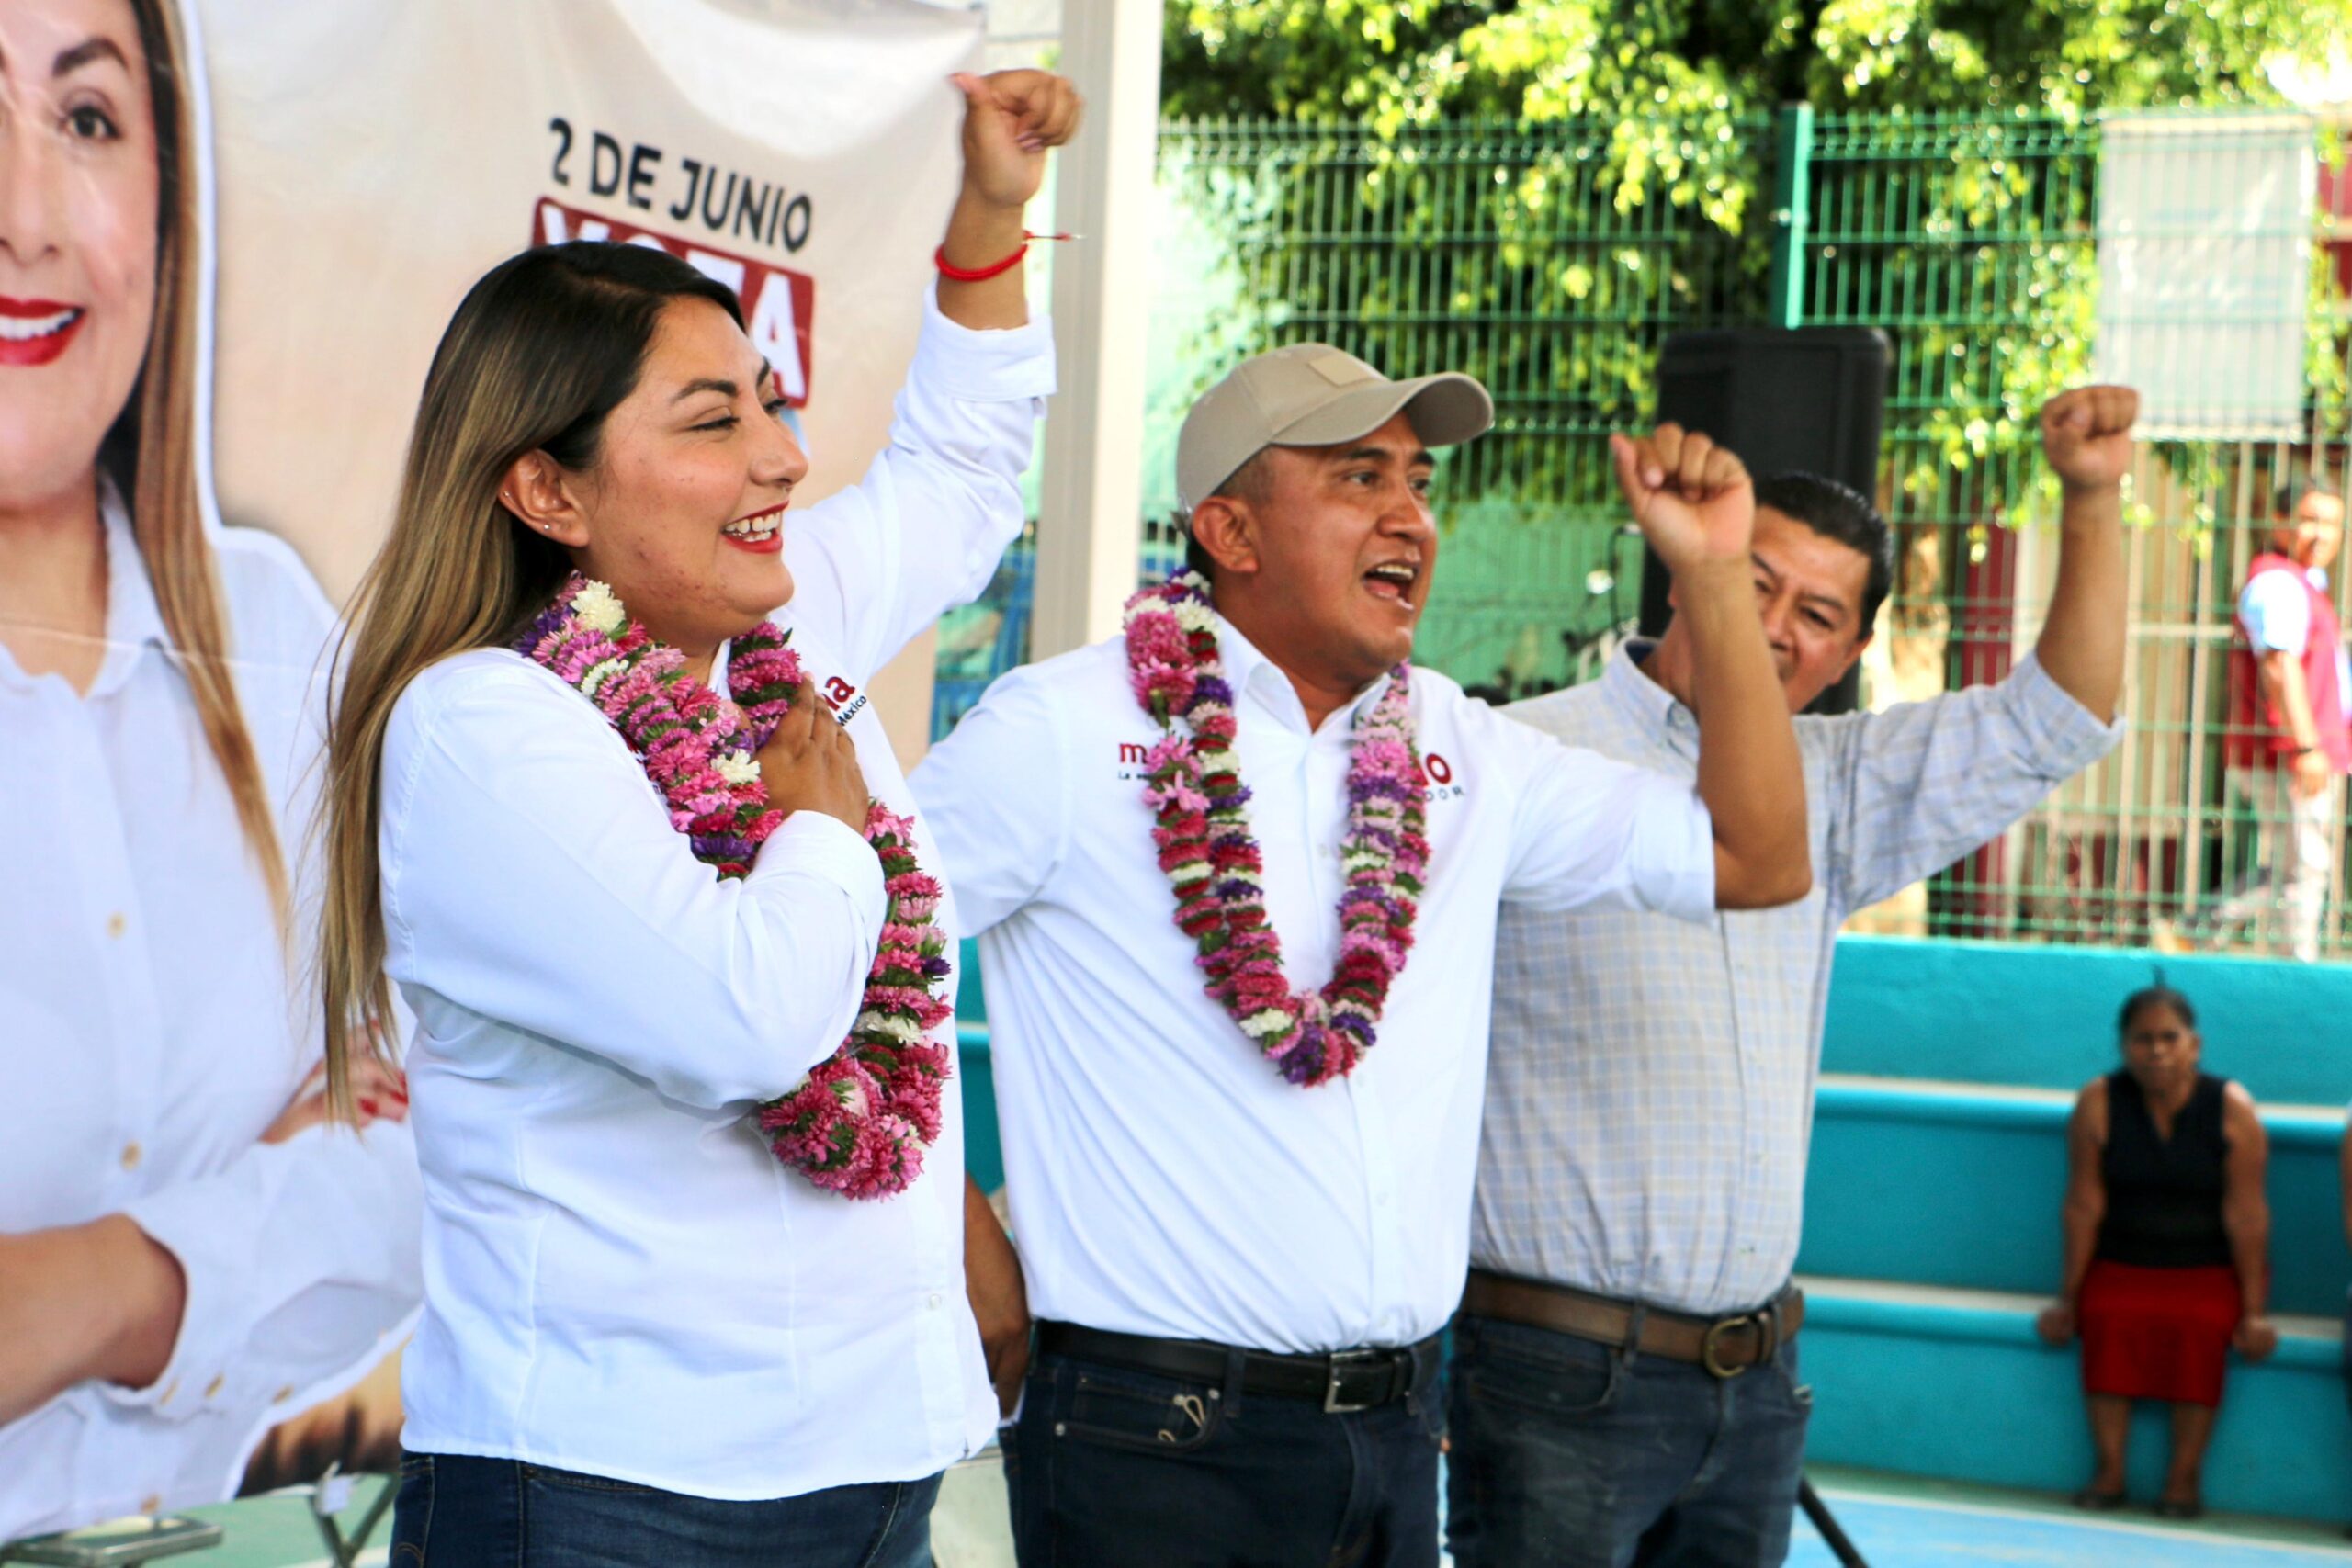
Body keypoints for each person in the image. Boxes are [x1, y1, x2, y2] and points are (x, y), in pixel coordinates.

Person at [318, 69, 1075, 1568]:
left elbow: (961, 470)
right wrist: (828, 837)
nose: (785, 458)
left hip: (873, 1478)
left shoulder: (790, 640)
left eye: (773, 404)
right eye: (717, 420)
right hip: (611, 1500)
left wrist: (994, 209)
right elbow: (750, 1015)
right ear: (547, 487)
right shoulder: (482, 726)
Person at [913, 343, 1813, 1568]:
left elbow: (1757, 858)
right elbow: (832, 964)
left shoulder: (1465, 749)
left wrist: (1711, 576)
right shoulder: (1062, 731)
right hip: (1153, 1440)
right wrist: (959, 1241)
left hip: (1393, 1435)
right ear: (1230, 528)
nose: (1410, 516)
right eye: (1358, 476)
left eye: (1419, 481)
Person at [1453, 387, 2139, 1568]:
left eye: (1817, 614)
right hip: (1548, 1380)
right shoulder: (1516, 756)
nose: (1775, 626)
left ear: (1850, 654)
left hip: (1754, 1383)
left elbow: (2058, 717)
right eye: (1751, 581)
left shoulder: (1848, 783)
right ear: (1687, 566)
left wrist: (2090, 493)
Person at [0, 0, 422, 1541]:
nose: (25, 213)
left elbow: (424, 1146)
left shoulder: (271, 632)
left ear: (171, 216)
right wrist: (255, 1218)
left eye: (88, 118)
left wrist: (109, 1286)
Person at [2037, 985, 2275, 1518]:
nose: (2157, 1051)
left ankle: (2183, 1478)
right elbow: (2082, 1206)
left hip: (2207, 1266)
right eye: (2143, 1039)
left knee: (2202, 1325)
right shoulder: (2098, 1101)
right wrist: (2067, 1300)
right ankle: (2109, 1470)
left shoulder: (2232, 1108)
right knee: (2105, 1316)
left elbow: (2248, 1214)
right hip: (2124, 1260)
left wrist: (2255, 1311)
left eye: (2170, 1038)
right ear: (2124, 1046)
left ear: (2195, 1045)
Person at [2211, 476, 2350, 963]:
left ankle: (2199, 929)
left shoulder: (2305, 585)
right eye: (2309, 519)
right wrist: (2308, 747)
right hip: (2288, 754)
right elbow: (2279, 664)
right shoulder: (2278, 583)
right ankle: (2297, 971)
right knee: (2305, 868)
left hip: (2302, 751)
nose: (2322, 534)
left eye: (2333, 523)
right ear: (2279, 521)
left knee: (2294, 864)